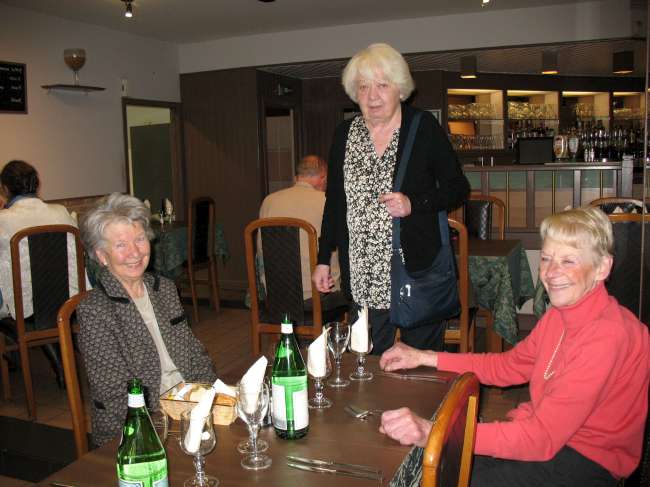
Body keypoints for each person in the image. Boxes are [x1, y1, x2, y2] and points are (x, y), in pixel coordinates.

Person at [378, 207, 650, 486]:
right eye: (546, 258)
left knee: (445, 476)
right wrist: (425, 356)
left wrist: (434, 432)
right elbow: (508, 366)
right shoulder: (560, 315)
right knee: (439, 466)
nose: (551, 273)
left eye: (568, 261)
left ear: (602, 268)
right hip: (549, 439)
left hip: (587, 462)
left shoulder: (607, 336)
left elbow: (541, 439)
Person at [313, 43, 469, 355]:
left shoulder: (422, 128)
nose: (372, 96)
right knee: (366, 366)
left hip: (415, 273)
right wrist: (323, 258)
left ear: (400, 88)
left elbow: (458, 187)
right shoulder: (344, 134)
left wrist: (414, 204)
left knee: (419, 365)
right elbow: (335, 203)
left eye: (382, 85)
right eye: (363, 87)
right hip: (362, 278)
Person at [78, 193, 217, 447]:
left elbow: (195, 355)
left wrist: (208, 398)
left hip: (188, 411)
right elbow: (115, 395)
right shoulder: (95, 310)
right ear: (102, 255)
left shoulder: (163, 288)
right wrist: (170, 420)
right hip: (137, 429)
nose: (135, 252)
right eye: (121, 245)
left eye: (140, 239)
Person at [0, 160, 80, 319]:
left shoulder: (3, 219)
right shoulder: (61, 212)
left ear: (5, 189)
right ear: (36, 184)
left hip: (25, 312)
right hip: (69, 306)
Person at [259, 154, 340, 300]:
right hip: (319, 292)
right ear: (323, 178)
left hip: (275, 292)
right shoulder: (327, 202)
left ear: (296, 178)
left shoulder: (268, 201)